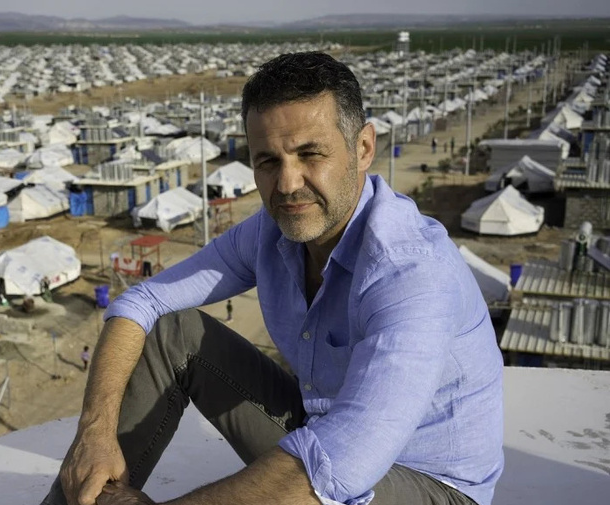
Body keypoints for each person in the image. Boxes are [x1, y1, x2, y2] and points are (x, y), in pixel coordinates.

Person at [42, 52, 503, 505]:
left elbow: (342, 464)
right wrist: (94, 432)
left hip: (430, 484)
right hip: (320, 428)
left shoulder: (409, 270)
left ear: (363, 148)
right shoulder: (272, 232)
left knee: (320, 470)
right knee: (170, 333)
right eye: (268, 161)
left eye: (310, 154)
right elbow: (140, 304)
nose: (287, 184)